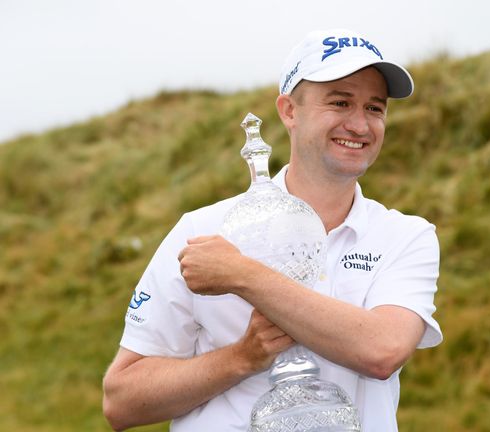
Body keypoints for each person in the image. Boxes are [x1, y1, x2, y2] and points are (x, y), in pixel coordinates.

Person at [102, 28, 442, 432]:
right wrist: (241, 358)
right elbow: (121, 401)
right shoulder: (203, 230)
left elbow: (383, 351)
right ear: (289, 111)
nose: (359, 125)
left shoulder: (405, 236)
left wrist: (242, 275)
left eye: (375, 108)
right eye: (340, 102)